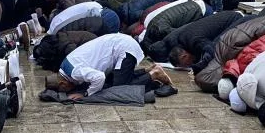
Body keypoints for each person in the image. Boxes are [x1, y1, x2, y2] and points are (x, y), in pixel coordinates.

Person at [43, 33, 172, 99]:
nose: (68, 91)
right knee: (116, 79)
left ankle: (154, 74)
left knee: (120, 87)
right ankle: (149, 70)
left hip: (123, 48)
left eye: (64, 90)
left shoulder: (74, 72)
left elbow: (99, 77)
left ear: (62, 84)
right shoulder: (64, 66)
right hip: (118, 44)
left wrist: (86, 94)